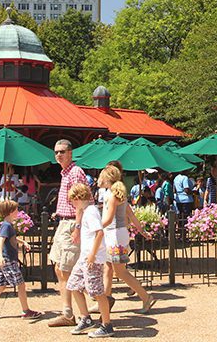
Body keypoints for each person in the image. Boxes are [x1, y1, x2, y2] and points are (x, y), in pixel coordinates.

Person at [99, 165, 156, 314]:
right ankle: (105, 300)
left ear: (107, 178)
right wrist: (143, 232)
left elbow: (108, 218)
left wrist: (93, 227)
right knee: (110, 268)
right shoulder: (118, 195)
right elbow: (131, 216)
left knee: (121, 272)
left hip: (114, 236)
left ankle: (146, 297)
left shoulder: (112, 195)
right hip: (118, 235)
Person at [47, 139, 89, 328]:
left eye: (62, 151)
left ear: (70, 153)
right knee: (59, 267)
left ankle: (77, 314)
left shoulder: (75, 172)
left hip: (72, 224)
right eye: (56, 152)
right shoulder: (66, 173)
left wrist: (78, 227)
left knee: (68, 270)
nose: (58, 155)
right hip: (64, 222)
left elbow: (82, 201)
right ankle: (68, 311)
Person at [0, 200, 42, 320]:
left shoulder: (8, 225)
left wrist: (22, 242)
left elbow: (11, 238)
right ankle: (26, 311)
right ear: (10, 212)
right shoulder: (6, 225)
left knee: (1, 286)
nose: (18, 212)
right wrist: (0, 256)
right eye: (16, 210)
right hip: (8, 260)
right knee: (21, 284)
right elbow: (0, 242)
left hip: (6, 260)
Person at [65, 183, 114, 337]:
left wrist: (92, 255)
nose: (72, 204)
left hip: (91, 257)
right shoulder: (87, 211)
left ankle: (107, 325)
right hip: (85, 257)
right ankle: (86, 318)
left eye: (72, 200)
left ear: (78, 198)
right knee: (73, 284)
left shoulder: (91, 211)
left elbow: (99, 233)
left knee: (97, 292)